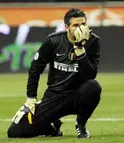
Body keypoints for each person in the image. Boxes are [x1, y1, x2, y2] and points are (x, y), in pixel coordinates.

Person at [7, 8, 102, 139]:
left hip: (78, 95)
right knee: (15, 132)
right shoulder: (53, 41)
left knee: (93, 87)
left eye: (83, 24)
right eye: (75, 25)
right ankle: (52, 126)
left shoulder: (93, 41)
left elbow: (90, 75)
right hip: (55, 96)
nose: (80, 29)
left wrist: (80, 49)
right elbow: (36, 67)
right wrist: (31, 98)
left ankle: (81, 125)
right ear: (67, 27)